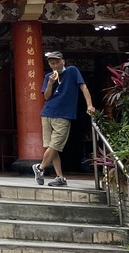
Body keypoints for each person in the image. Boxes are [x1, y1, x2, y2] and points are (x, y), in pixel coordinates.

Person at [34, 51, 96, 187]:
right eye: (52, 64)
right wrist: (50, 83)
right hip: (47, 112)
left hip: (63, 115)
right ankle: (60, 177)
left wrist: (90, 105)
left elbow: (83, 87)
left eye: (57, 62)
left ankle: (40, 168)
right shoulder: (48, 76)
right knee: (52, 146)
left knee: (55, 145)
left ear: (63, 61)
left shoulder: (72, 71)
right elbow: (46, 96)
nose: (55, 66)